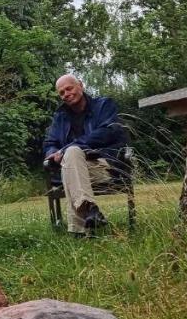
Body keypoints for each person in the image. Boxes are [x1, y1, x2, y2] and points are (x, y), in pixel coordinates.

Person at [43, 74, 129, 236]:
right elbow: (49, 144)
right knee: (71, 158)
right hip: (71, 169)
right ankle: (90, 211)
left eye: (69, 88)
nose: (66, 94)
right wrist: (52, 153)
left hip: (103, 166)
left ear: (80, 86)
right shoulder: (60, 117)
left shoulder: (104, 105)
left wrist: (68, 148)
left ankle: (80, 230)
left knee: (72, 152)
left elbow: (107, 132)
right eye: (61, 93)